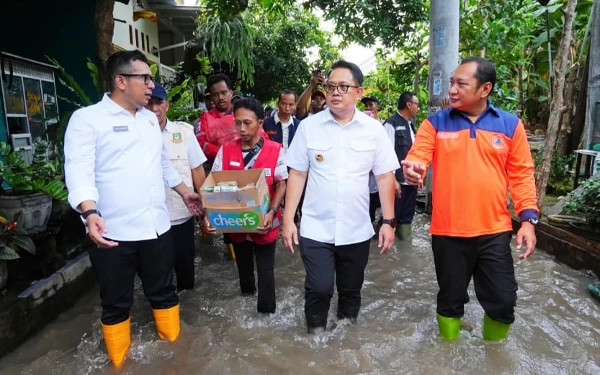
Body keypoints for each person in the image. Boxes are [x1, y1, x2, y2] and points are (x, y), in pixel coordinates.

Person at [64, 50, 203, 367]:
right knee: (115, 304)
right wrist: (90, 213)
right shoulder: (88, 120)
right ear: (121, 81)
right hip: (113, 233)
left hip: (156, 227)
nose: (151, 85)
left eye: (151, 78)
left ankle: (175, 361)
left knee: (165, 294)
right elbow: (79, 172)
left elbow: (164, 164)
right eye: (145, 77)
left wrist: (185, 192)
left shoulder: (148, 122)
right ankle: (119, 365)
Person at [401, 56, 538, 342]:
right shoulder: (435, 123)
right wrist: (414, 168)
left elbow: (522, 174)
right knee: (450, 299)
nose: (452, 89)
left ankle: (493, 356)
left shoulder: (510, 125)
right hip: (448, 231)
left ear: (484, 89)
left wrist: (528, 219)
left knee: (503, 301)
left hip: (495, 231)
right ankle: (447, 358)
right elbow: (418, 155)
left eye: (461, 84)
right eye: (451, 82)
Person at [283, 60, 400, 334]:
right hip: (315, 226)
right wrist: (288, 220)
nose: (335, 92)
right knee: (319, 286)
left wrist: (388, 221)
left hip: (356, 229)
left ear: (359, 92)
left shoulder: (374, 131)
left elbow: (385, 177)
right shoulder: (309, 127)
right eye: (330, 86)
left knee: (350, 289)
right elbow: (297, 174)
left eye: (343, 87)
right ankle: (315, 338)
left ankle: (347, 338)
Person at [205, 98, 288, 314]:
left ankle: (266, 315)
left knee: (266, 271)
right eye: (238, 123)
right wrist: (209, 215)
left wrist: (272, 211)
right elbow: (212, 183)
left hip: (265, 222)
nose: (241, 129)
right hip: (237, 224)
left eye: (247, 123)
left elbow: (282, 183)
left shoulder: (275, 150)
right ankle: (246, 301)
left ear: (260, 122)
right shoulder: (226, 151)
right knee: (243, 268)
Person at [146, 83, 208, 292]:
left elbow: (198, 171)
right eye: (149, 102)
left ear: (167, 105)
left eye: (159, 102)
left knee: (185, 275)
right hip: (150, 219)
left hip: (181, 216)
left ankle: (187, 317)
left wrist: (205, 210)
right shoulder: (135, 136)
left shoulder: (184, 133)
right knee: (156, 275)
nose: (154, 108)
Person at [384, 92, 421, 240]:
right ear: (409, 105)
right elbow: (385, 155)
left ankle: (404, 248)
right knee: (391, 216)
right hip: (398, 181)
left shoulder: (411, 125)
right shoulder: (391, 124)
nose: (418, 108)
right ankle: (382, 248)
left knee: (407, 216)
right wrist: (393, 180)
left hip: (410, 181)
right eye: (417, 104)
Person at [196, 73, 238, 168]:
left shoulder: (243, 112)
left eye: (224, 92)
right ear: (211, 97)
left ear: (231, 93)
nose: (220, 98)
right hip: (218, 170)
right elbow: (201, 144)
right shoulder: (205, 118)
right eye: (215, 94)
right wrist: (227, 154)